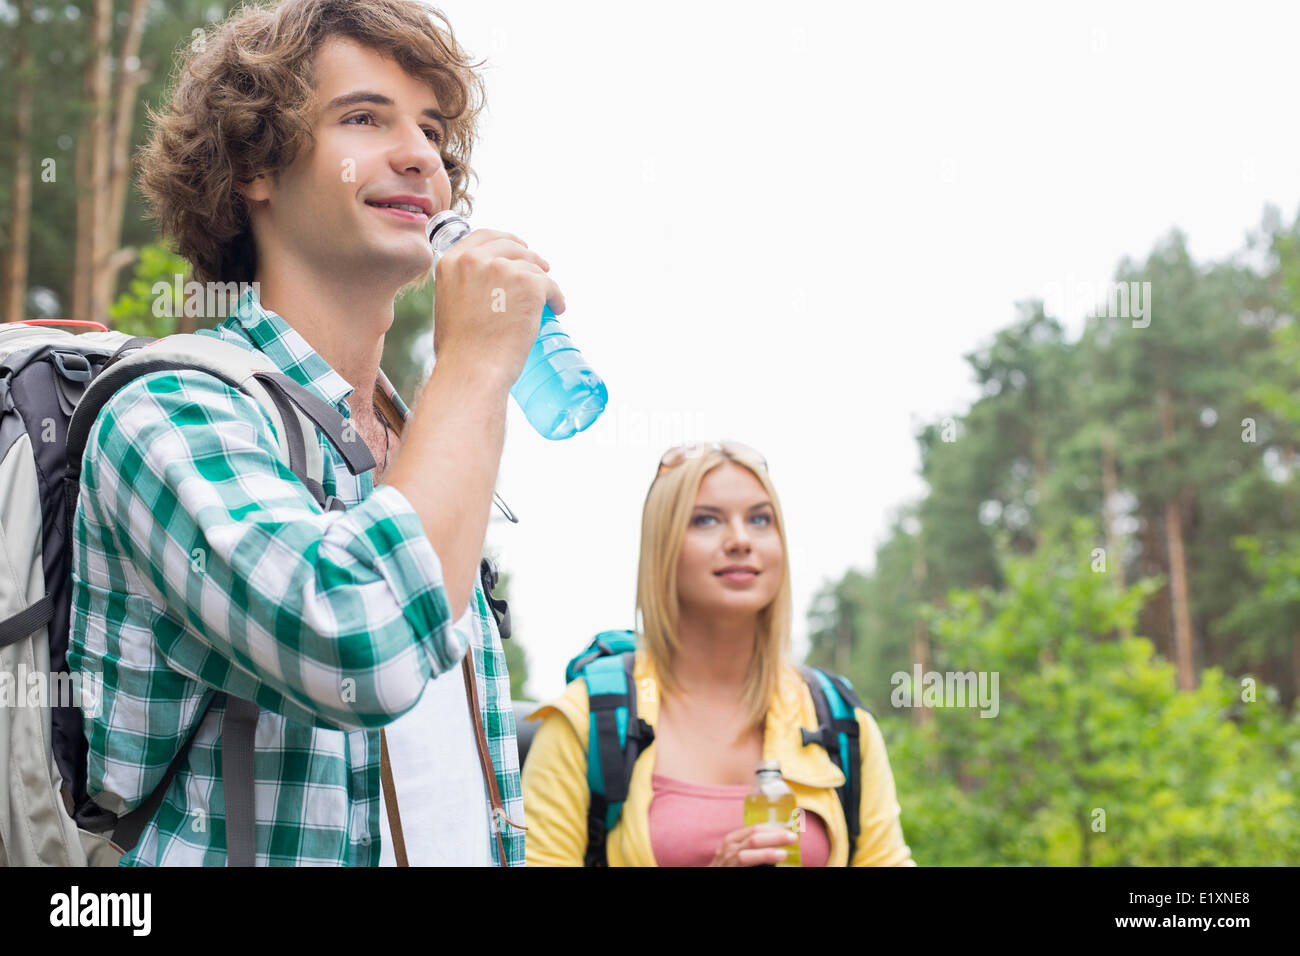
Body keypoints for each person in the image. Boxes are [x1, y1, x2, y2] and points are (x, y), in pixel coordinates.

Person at [67, 0, 562, 865]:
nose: (422, 155)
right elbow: (362, 642)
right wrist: (476, 368)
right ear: (256, 164)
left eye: (435, 130)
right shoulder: (168, 414)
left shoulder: (425, 448)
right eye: (365, 118)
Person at [521, 441, 916, 866]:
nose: (741, 539)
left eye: (760, 519)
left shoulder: (840, 722)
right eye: (706, 520)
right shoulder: (585, 723)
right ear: (663, 548)